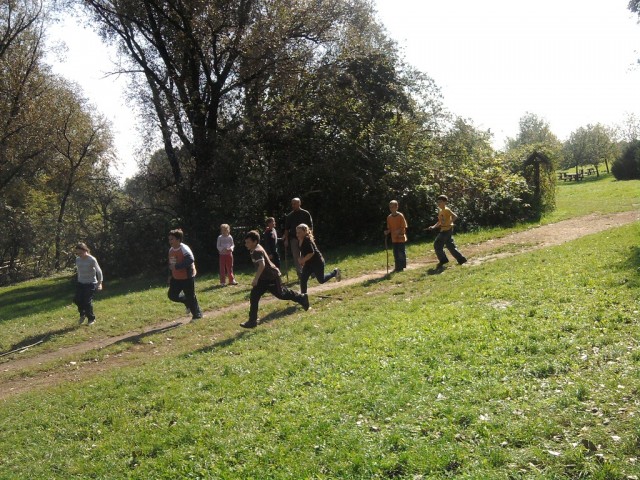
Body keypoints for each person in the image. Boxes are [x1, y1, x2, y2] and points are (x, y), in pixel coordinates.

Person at [241, 230, 309, 329]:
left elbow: (262, 265)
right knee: (254, 296)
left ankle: (302, 297)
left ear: (255, 242)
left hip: (272, 277)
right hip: (263, 279)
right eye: (246, 242)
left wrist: (256, 279)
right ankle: (252, 321)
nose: (246, 244)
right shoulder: (254, 249)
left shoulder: (257, 251)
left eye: (248, 242)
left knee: (281, 294)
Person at [167, 228, 203, 320]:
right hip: (176, 278)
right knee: (172, 295)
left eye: (172, 239)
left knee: (191, 296)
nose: (170, 241)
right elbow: (172, 264)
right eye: (169, 239)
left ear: (178, 239)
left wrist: (177, 266)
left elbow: (190, 260)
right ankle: (186, 301)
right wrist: (171, 275)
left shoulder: (184, 248)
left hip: (187, 277)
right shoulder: (171, 250)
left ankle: (197, 315)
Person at [296, 223, 341, 294]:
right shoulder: (300, 240)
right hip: (308, 264)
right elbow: (303, 252)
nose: (297, 234)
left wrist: (303, 260)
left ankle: (335, 272)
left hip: (317, 262)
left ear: (305, 232)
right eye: (297, 232)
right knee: (303, 279)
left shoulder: (307, 240)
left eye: (299, 232)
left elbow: (311, 252)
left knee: (321, 280)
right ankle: (303, 297)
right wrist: (300, 259)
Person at [429, 194, 467, 269]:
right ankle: (461, 259)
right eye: (438, 202)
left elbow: (455, 216)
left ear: (444, 202)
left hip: (446, 230)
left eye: (440, 202)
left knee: (437, 244)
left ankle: (443, 260)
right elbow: (440, 221)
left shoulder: (446, 210)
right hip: (445, 230)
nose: (438, 203)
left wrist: (450, 222)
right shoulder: (440, 211)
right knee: (450, 246)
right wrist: (433, 227)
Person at [74, 242, 103, 325]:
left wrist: (99, 283)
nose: (79, 255)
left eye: (80, 253)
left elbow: (99, 271)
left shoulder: (91, 259)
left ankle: (91, 319)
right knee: (77, 300)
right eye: (77, 253)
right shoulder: (78, 259)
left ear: (85, 250)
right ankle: (82, 314)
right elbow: (79, 271)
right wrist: (79, 280)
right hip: (81, 283)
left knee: (87, 302)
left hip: (91, 283)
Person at [283, 197, 313, 277]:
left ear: (299, 203)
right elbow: (286, 229)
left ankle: (311, 271)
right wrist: (286, 240)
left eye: (295, 204)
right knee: (296, 256)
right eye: (292, 204)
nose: (293, 205)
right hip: (294, 238)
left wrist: (310, 237)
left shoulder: (305, 213)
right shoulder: (289, 216)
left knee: (307, 254)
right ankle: (300, 273)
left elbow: (310, 226)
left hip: (305, 238)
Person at [384, 200, 408, 272]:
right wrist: (387, 232)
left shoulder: (400, 216)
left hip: (401, 237)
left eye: (393, 207)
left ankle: (401, 267)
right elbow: (390, 228)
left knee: (401, 252)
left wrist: (399, 231)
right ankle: (397, 266)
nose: (391, 209)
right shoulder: (389, 217)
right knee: (395, 252)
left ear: (397, 207)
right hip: (394, 238)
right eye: (390, 207)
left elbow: (404, 226)